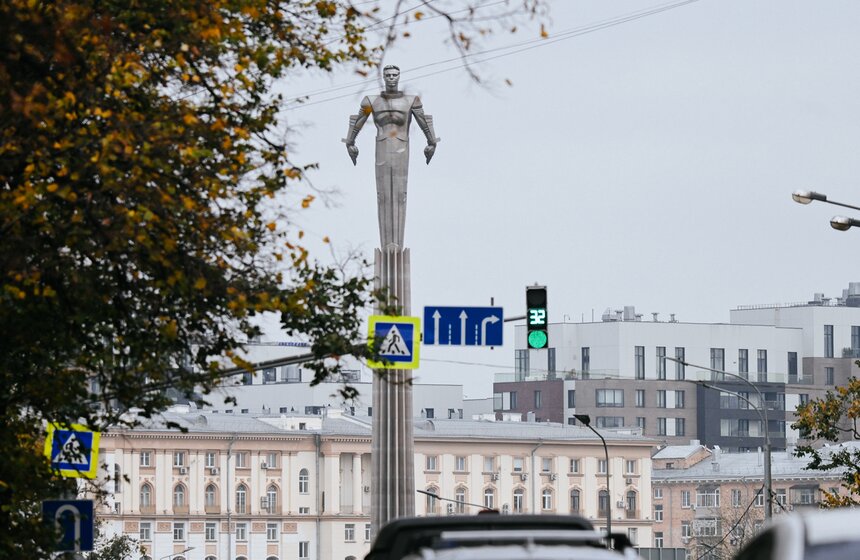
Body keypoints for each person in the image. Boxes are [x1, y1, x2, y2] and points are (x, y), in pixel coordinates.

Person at [344, 65, 439, 249]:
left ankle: (396, 244)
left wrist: (431, 142)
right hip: (382, 147)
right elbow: (357, 123)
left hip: (402, 147)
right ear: (383, 77)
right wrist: (350, 142)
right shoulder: (371, 101)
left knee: (400, 194)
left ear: (399, 76)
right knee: (383, 196)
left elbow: (424, 123)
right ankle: (387, 244)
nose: (391, 78)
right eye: (388, 75)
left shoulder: (411, 101)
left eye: (395, 75)